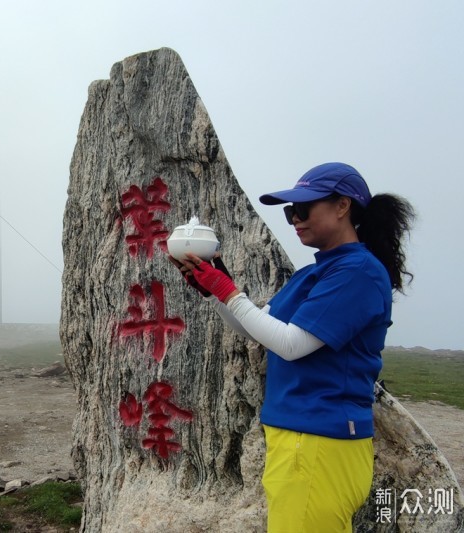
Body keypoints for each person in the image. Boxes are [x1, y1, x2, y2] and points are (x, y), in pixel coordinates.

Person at [170, 162, 415, 533]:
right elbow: (262, 328)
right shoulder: (318, 271)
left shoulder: (357, 272)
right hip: (302, 439)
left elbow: (291, 344)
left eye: (303, 209)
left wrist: (226, 290)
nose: (295, 220)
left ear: (342, 206)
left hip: (320, 442)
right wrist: (214, 292)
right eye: (290, 212)